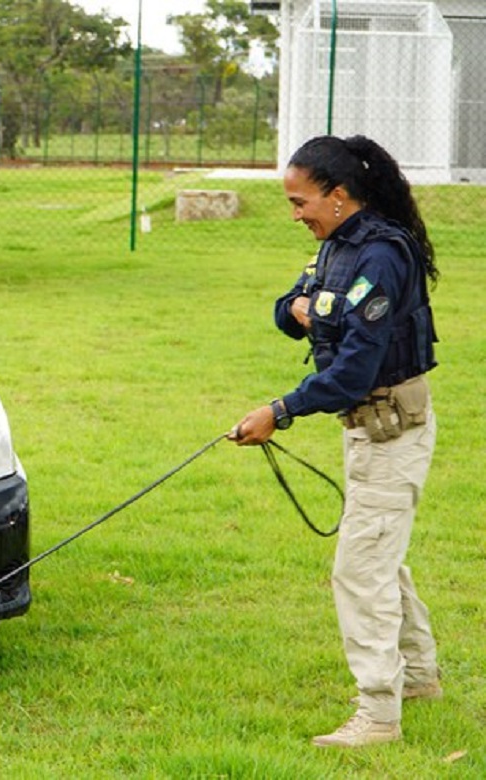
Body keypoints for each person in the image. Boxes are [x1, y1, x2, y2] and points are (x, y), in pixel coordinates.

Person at [228, 135, 441, 748]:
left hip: (392, 429)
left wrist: (278, 410)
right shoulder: (336, 248)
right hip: (365, 432)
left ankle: (378, 715)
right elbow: (285, 306)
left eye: (300, 202)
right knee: (380, 554)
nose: (295, 214)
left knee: (360, 569)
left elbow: (353, 370)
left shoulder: (379, 256)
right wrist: (300, 309)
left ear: (339, 195)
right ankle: (420, 676)